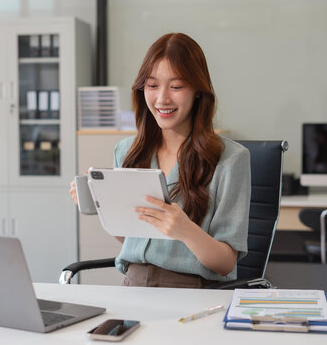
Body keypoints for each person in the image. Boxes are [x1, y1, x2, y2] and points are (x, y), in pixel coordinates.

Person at [70, 33, 251, 288]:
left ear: (198, 91)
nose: (162, 99)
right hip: (131, 284)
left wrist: (185, 230)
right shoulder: (127, 151)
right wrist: (103, 207)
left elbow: (225, 264)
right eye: (152, 86)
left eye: (176, 87)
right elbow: (135, 239)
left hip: (191, 291)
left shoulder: (231, 159)